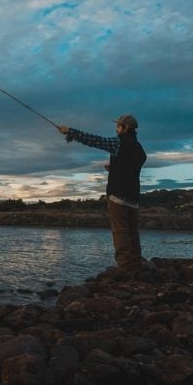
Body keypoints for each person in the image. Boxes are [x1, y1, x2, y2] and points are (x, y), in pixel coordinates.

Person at [58, 115, 147, 272]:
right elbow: (130, 168)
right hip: (133, 197)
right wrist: (114, 167)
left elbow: (95, 141)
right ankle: (136, 265)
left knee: (120, 232)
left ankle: (126, 269)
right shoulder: (140, 149)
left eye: (118, 126)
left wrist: (70, 131)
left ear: (125, 128)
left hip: (118, 196)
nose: (116, 129)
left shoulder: (120, 142)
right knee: (132, 233)